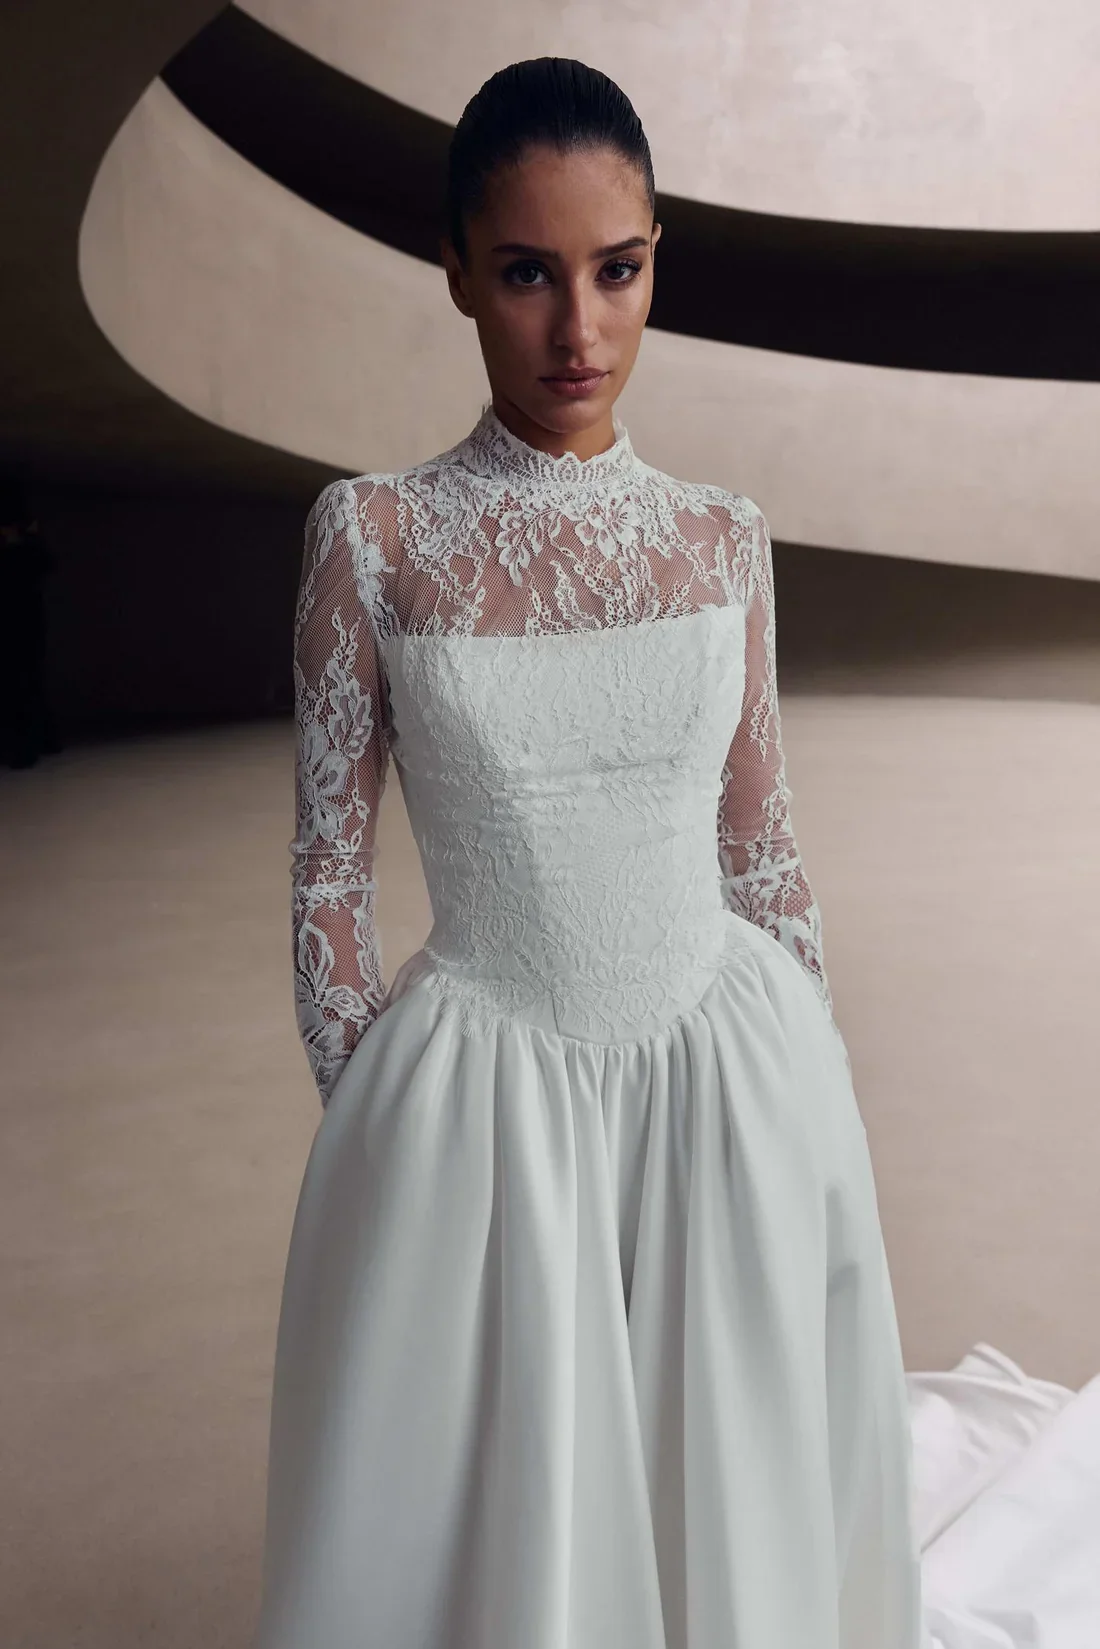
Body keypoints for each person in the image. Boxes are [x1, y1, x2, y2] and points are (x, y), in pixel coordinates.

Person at [254, 57, 924, 1649]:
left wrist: (810, 1098)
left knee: (729, 1491)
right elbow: (327, 875)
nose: (579, 331)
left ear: (652, 261)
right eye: (529, 275)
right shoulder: (374, 538)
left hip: (727, 1076)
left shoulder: (722, 536)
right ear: (457, 275)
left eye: (618, 272)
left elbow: (762, 848)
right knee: (516, 1530)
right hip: (488, 1102)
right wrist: (389, 1134)